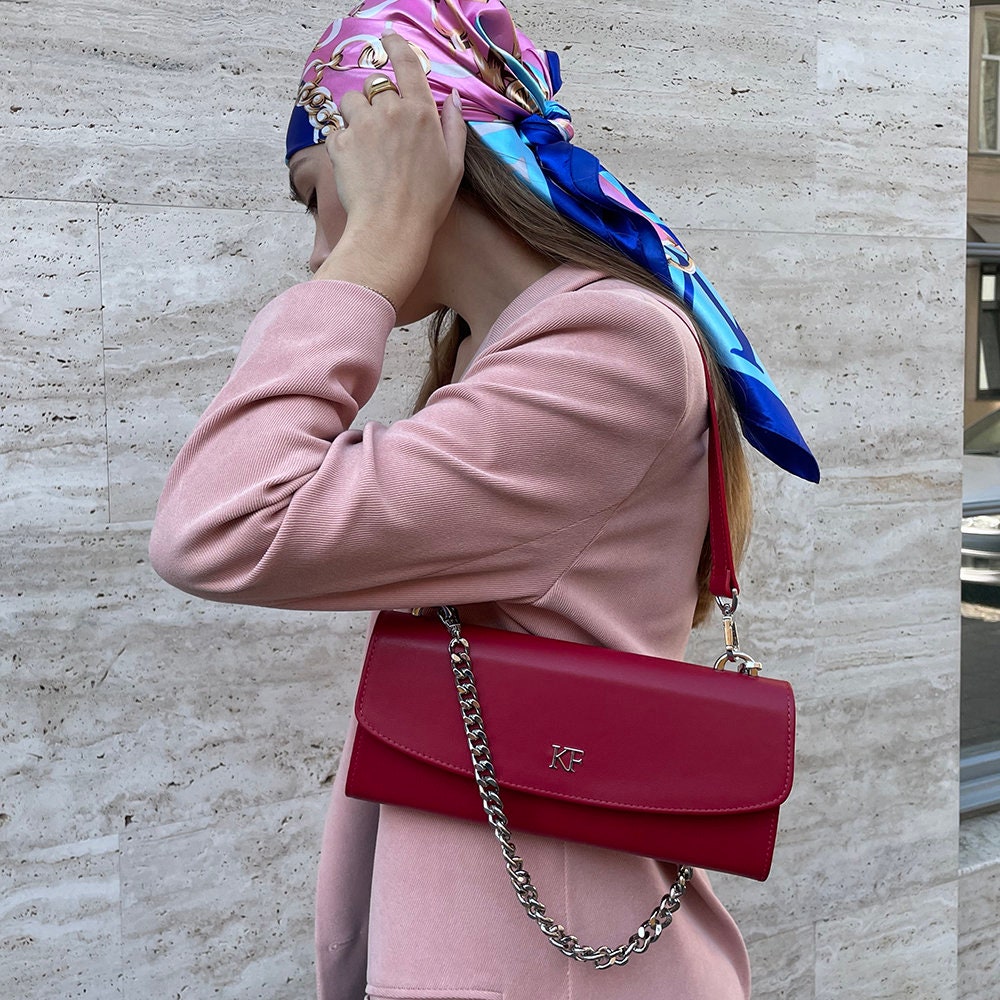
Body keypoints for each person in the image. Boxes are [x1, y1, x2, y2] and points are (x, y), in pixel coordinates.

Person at [150, 2, 819, 998]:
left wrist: (375, 247)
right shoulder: (507, 353)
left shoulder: (609, 349)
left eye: (313, 196)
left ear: (401, 161)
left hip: (551, 962)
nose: (315, 253)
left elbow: (221, 523)